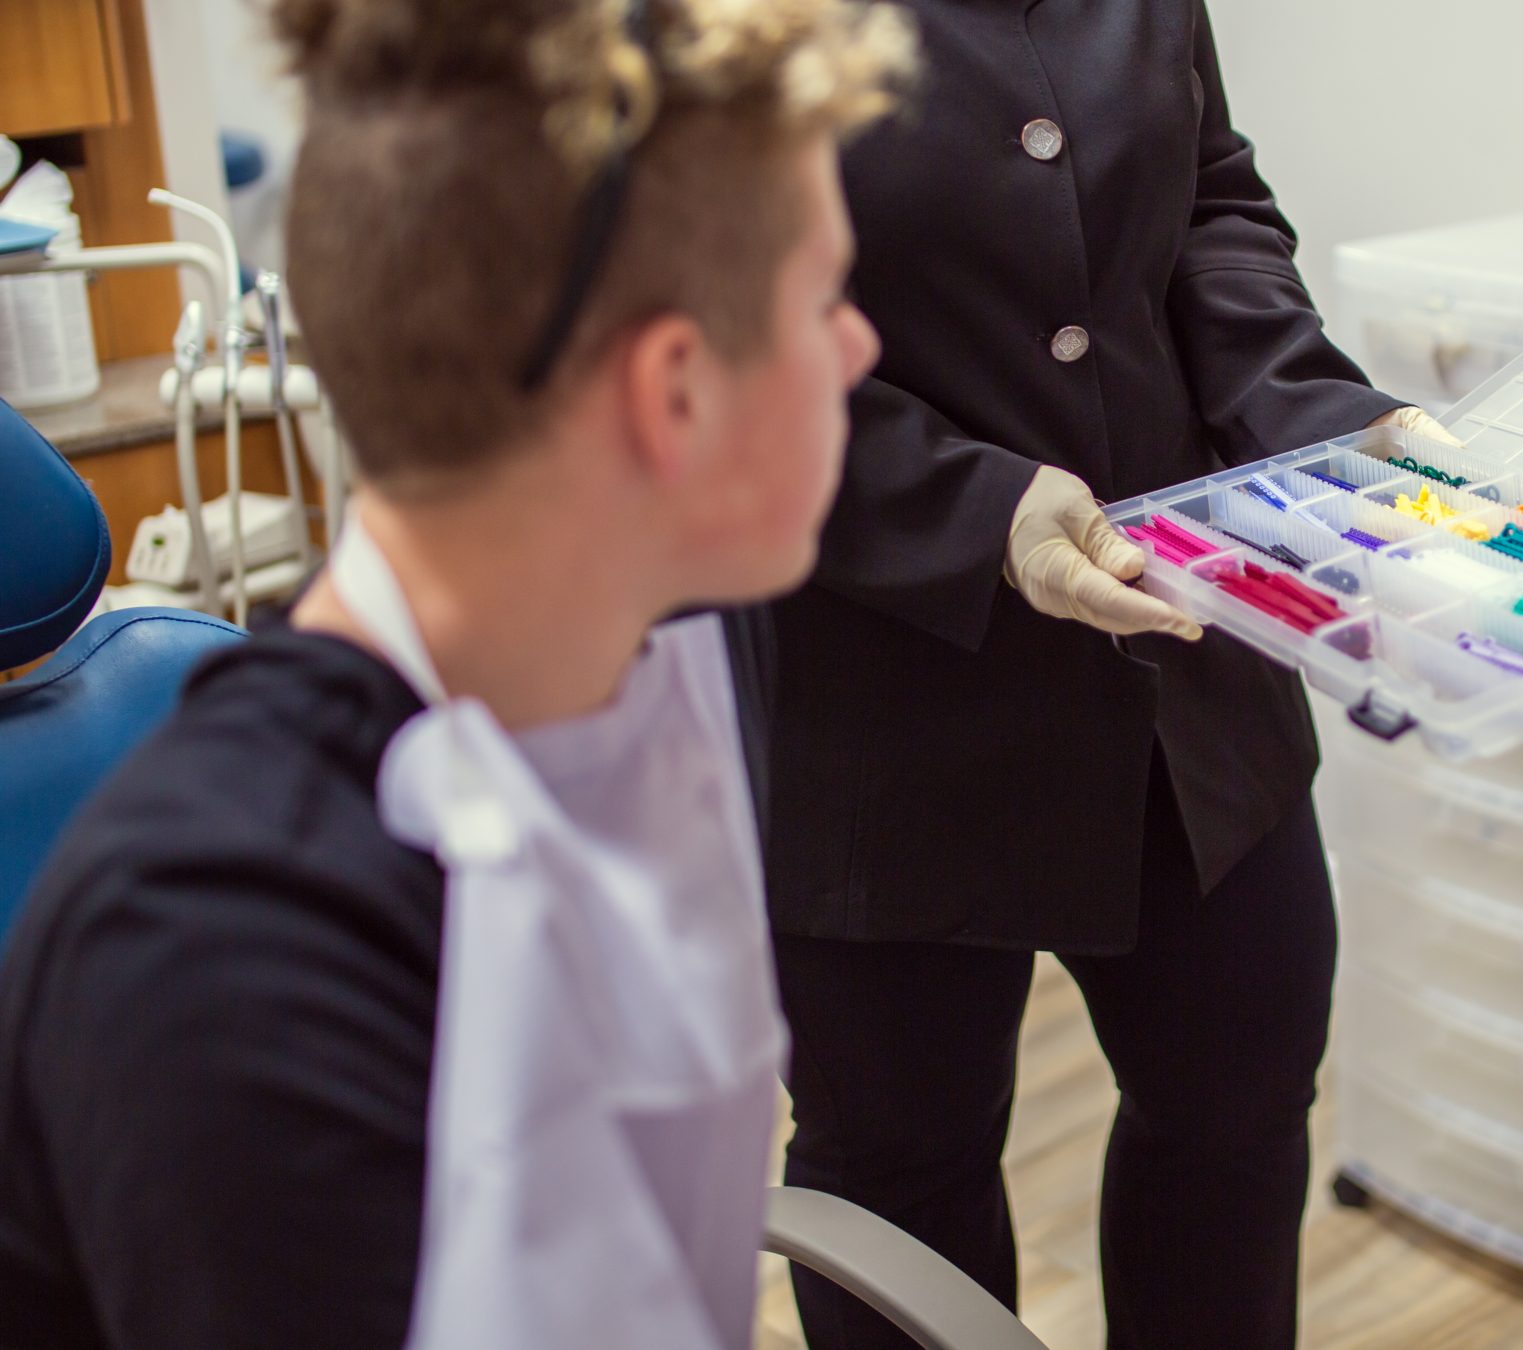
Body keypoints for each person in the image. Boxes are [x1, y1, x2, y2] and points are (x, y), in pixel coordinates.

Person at [0, 1, 907, 1345]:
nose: (861, 348)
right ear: (674, 396)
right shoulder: (215, 953)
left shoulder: (680, 657)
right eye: (826, 299)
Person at [759, 3, 1456, 1345]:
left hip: (1180, 656)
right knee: (902, 1169)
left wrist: (1329, 418)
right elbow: (695, 337)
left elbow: (1207, 202)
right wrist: (980, 514)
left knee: (1241, 1089)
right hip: (876, 690)